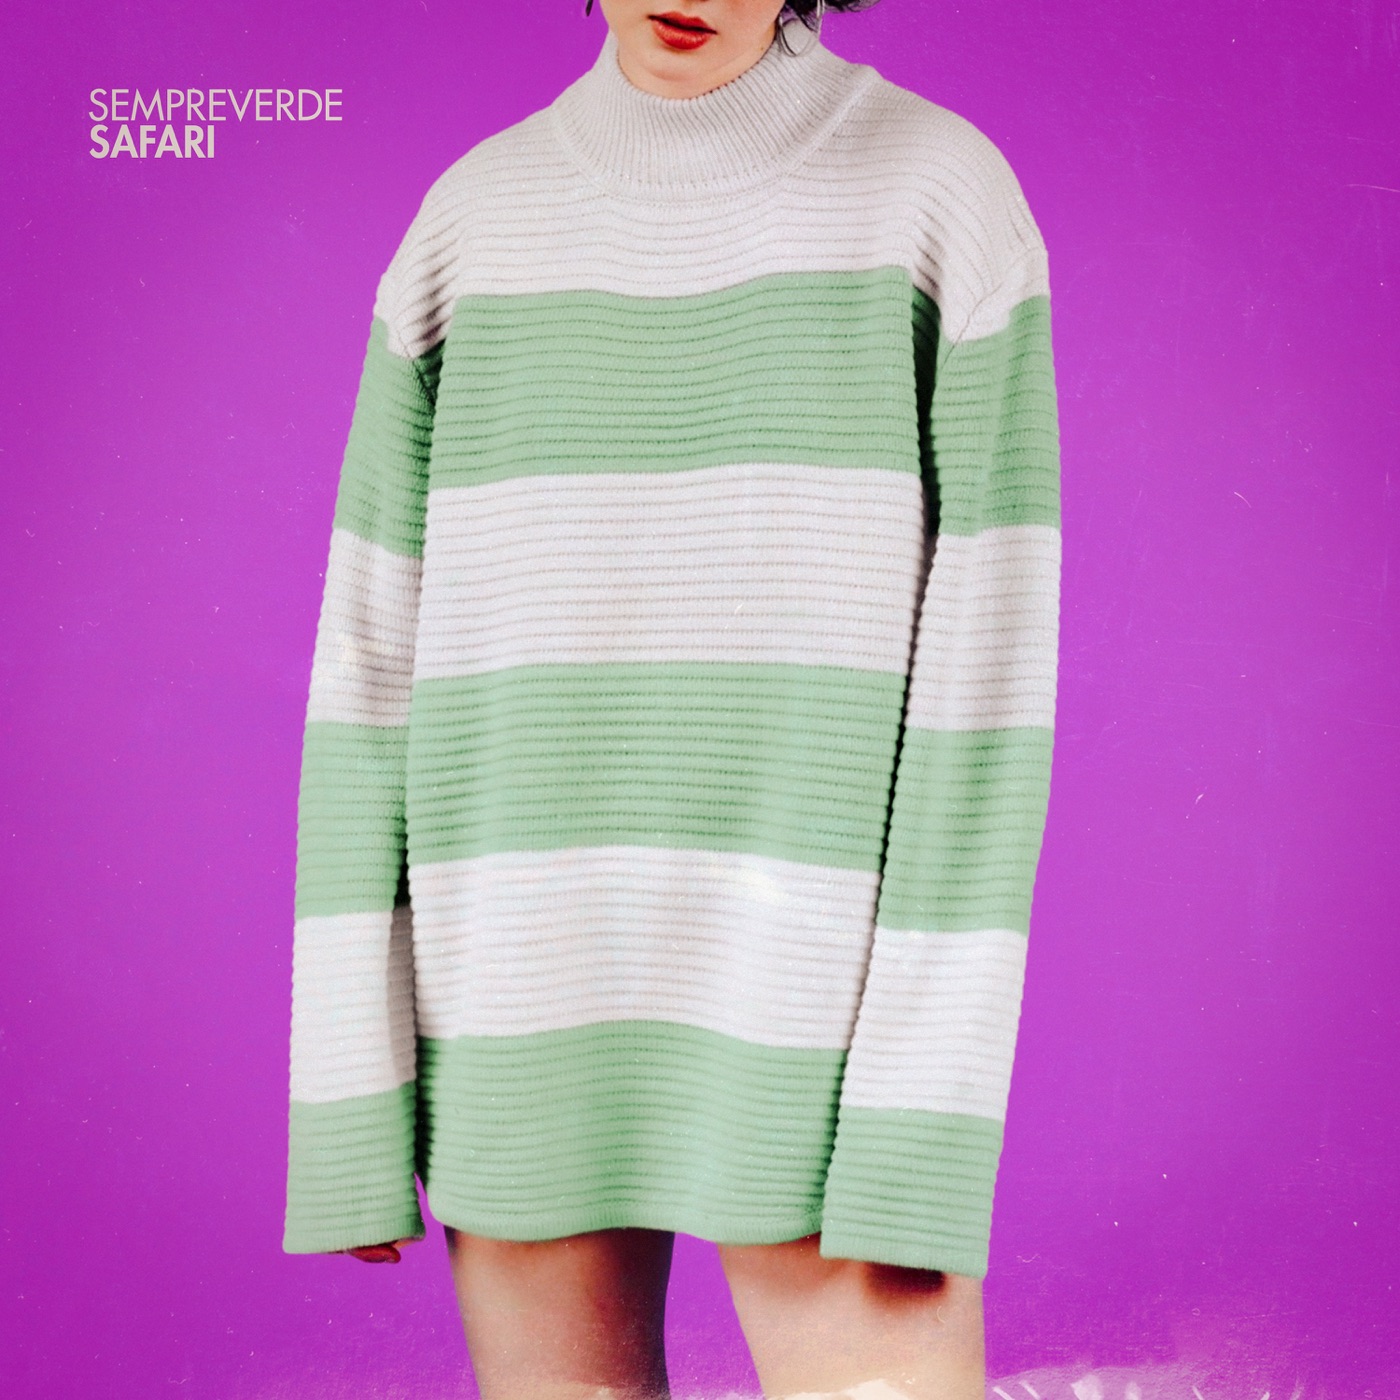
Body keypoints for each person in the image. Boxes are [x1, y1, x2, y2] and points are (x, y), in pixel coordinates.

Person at [282, 1, 1060, 1396]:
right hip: (518, 998)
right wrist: (350, 1102)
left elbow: (985, 697)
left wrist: (920, 1121)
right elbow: (368, 672)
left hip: (819, 1025)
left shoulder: (937, 197)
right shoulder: (472, 224)